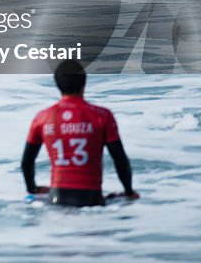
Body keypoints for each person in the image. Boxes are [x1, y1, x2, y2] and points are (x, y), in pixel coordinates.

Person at [21, 59, 140, 206]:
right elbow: (120, 160)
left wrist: (32, 189)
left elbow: (27, 162)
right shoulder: (102, 116)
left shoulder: (42, 118)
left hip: (57, 199)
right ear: (84, 83)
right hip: (92, 200)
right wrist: (129, 191)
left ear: (57, 85)